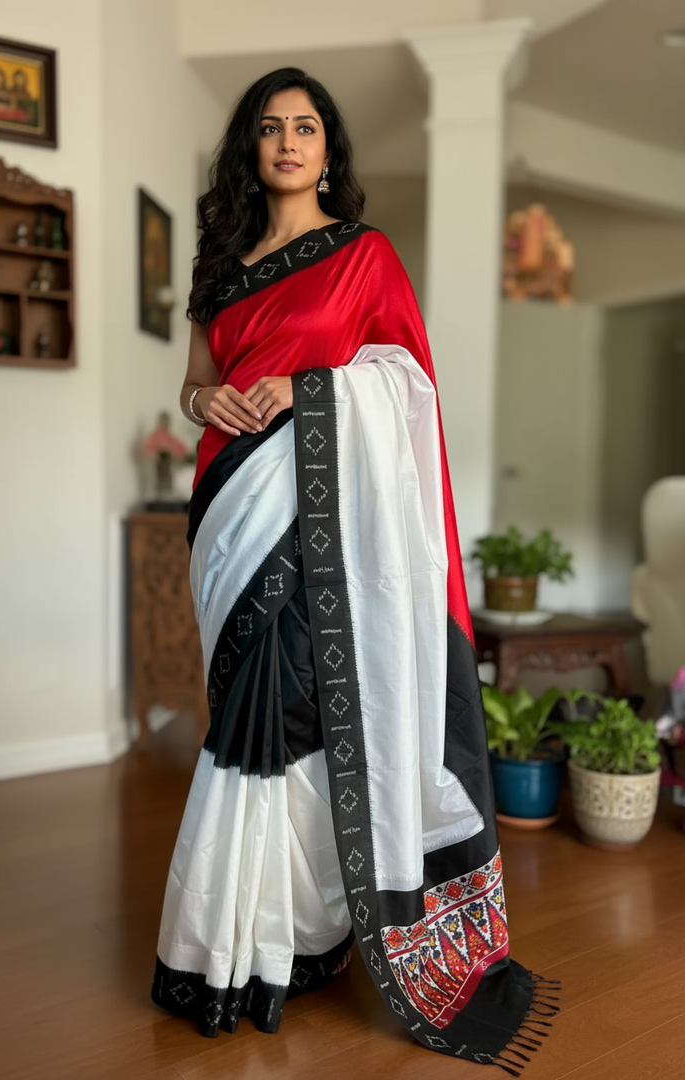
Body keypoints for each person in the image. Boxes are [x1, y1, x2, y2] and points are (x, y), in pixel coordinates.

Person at [151, 67, 556, 1071]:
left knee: (290, 712)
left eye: (307, 127)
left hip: (318, 509)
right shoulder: (222, 264)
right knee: (239, 708)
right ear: (251, 148)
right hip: (229, 511)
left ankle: (279, 940)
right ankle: (230, 942)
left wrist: (308, 386)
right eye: (271, 129)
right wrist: (210, 405)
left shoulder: (365, 257)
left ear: (329, 148)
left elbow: (408, 380)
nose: (289, 142)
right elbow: (197, 381)